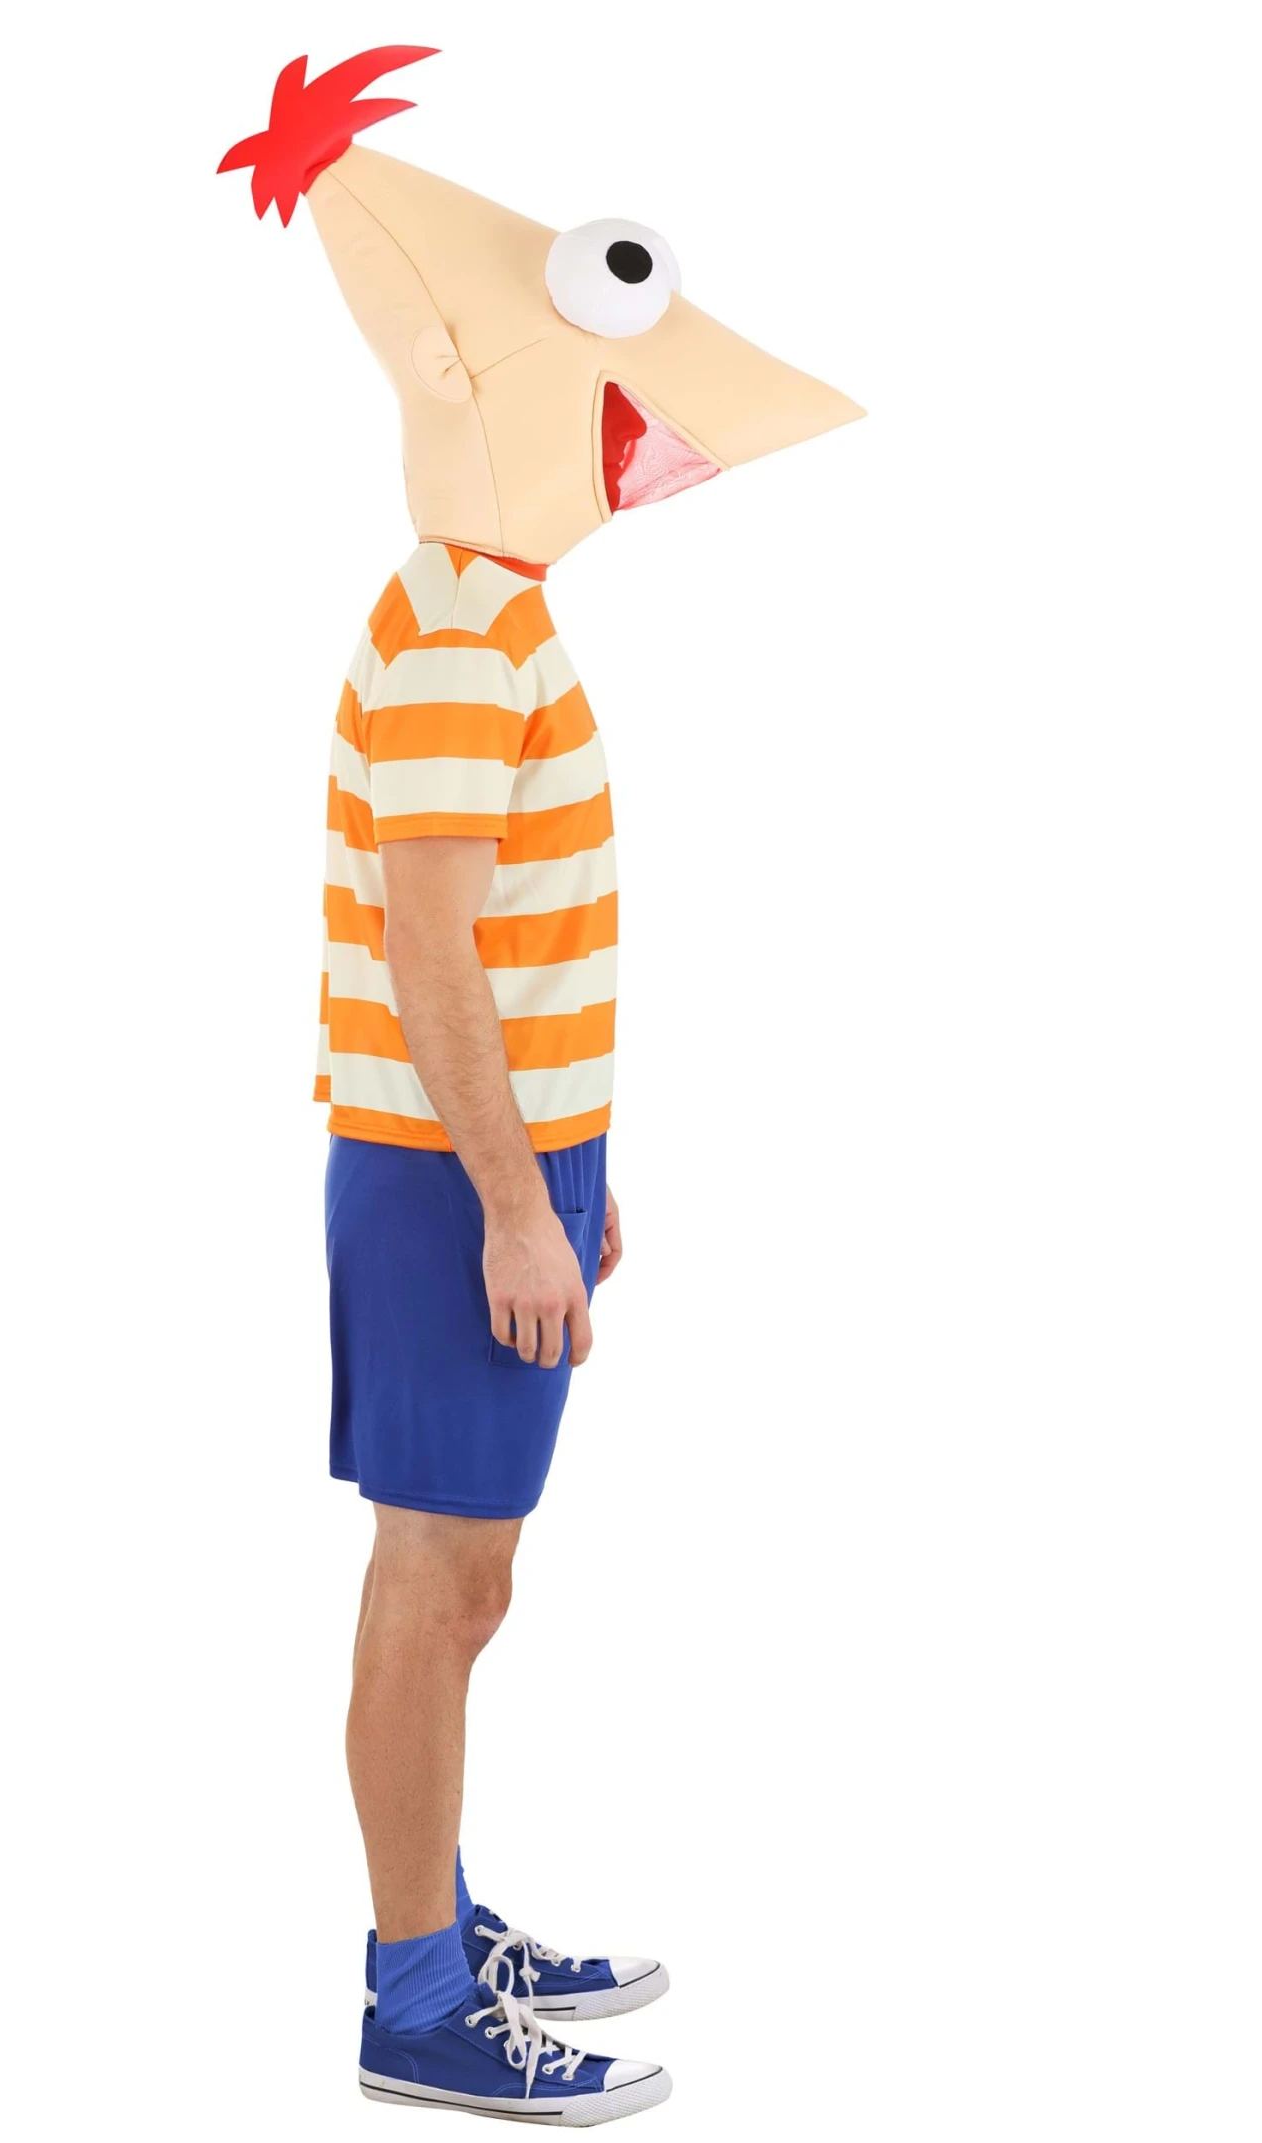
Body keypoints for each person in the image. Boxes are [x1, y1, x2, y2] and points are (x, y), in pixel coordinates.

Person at [220, 44, 861, 2123]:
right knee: (436, 1577)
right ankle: (414, 2000)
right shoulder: (452, 631)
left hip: (498, 1165)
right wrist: (513, 1199)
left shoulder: (491, 613)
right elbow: (425, 948)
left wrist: (577, 1169)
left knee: (474, 1571)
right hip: (442, 1178)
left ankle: (437, 1916)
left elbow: (509, 940)